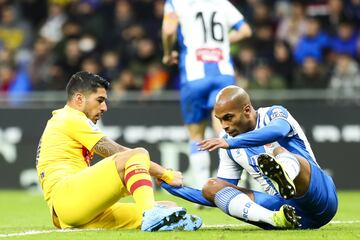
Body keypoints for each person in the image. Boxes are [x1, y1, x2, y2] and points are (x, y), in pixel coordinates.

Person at [35, 71, 202, 231]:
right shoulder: (70, 117)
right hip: (67, 198)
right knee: (137, 154)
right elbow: (116, 152)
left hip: (74, 211)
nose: (104, 107)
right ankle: (151, 213)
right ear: (79, 99)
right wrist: (165, 174)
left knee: (170, 209)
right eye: (99, 100)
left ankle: (155, 216)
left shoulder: (61, 120)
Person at [162, 85, 338, 229]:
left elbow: (278, 131)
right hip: (285, 207)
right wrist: (172, 186)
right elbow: (218, 195)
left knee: (278, 151)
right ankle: (275, 218)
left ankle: (287, 176)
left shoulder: (273, 114)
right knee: (212, 187)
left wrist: (232, 143)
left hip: (320, 197)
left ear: (246, 109)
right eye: (220, 120)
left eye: (228, 118)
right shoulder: (228, 144)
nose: (224, 126)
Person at [162, 0, 252, 190]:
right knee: (224, 128)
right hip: (223, 75)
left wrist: (168, 53)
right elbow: (245, 31)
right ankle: (235, 175)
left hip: (194, 77)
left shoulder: (176, 3)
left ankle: (204, 187)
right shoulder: (222, 3)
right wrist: (224, 42)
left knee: (196, 135)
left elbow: (169, 30)